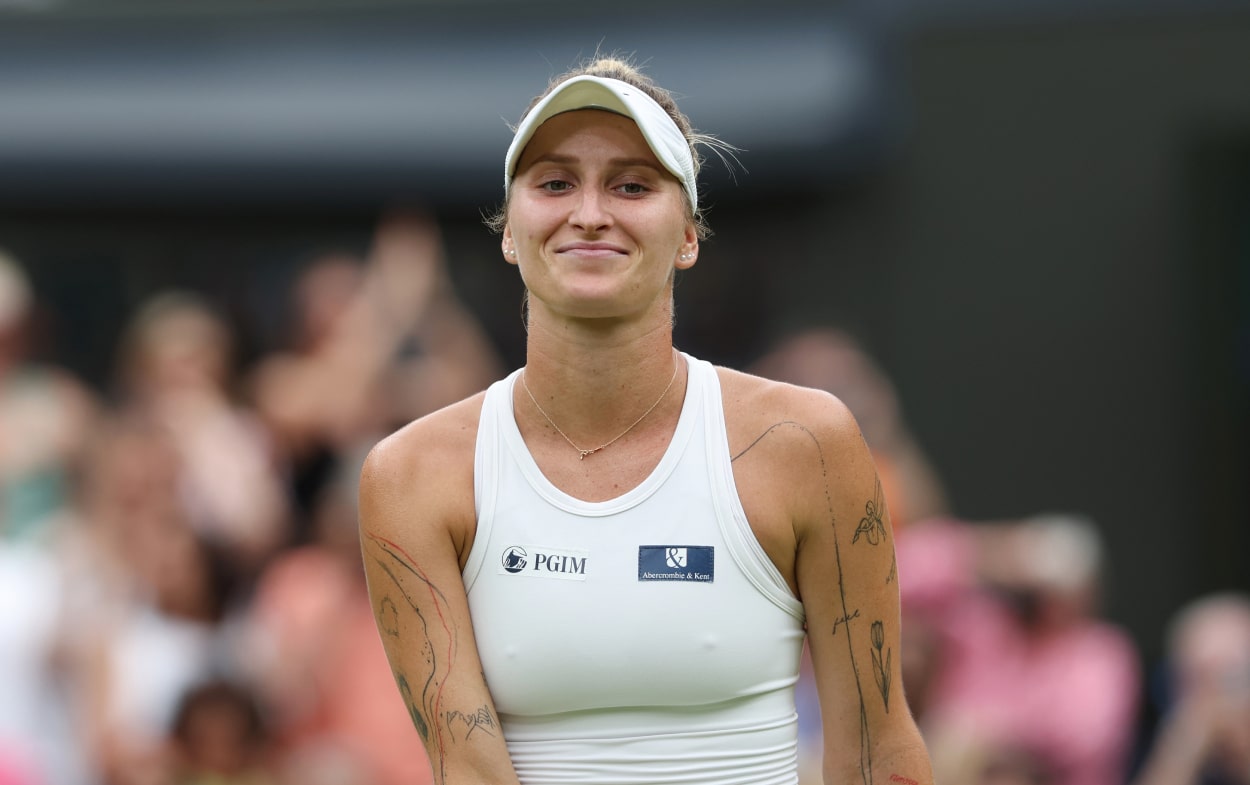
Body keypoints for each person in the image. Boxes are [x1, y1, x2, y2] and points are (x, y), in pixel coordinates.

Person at [358, 56, 934, 785]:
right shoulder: (412, 474)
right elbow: (466, 766)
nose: (591, 212)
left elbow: (877, 751)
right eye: (555, 182)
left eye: (631, 184)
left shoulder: (808, 444)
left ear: (688, 236)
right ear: (509, 233)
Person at [1130, 592, 1250, 785]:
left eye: (1230, 678)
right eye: (1198, 677)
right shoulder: (1153, 731)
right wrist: (1183, 750)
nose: (1215, 696)